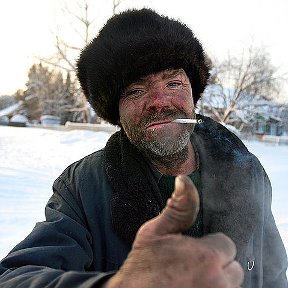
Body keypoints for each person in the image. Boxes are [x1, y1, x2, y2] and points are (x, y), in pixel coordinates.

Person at [0, 8, 287, 288]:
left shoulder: (247, 171)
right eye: (136, 91)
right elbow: (14, 276)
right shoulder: (83, 187)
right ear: (117, 113)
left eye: (173, 83)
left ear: (193, 94)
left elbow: (273, 273)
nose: (159, 101)